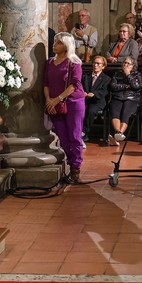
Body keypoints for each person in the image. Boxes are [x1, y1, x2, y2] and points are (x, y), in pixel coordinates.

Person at [44, 32, 86, 182]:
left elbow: (74, 85)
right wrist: (49, 100)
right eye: (55, 42)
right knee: (62, 136)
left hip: (73, 103)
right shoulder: (49, 62)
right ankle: (70, 163)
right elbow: (46, 83)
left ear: (66, 45)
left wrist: (57, 99)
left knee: (74, 136)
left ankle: (76, 169)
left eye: (58, 43)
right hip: (54, 103)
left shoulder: (74, 62)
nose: (54, 45)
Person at [107, 56, 142, 144]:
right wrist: (126, 86)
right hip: (117, 97)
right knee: (115, 112)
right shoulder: (117, 74)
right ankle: (118, 134)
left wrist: (128, 75)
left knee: (125, 113)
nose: (126, 65)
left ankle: (117, 136)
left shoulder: (137, 75)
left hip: (131, 98)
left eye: (128, 63)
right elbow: (112, 86)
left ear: (133, 66)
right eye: (125, 63)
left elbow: (136, 86)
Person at [81, 55, 111, 138]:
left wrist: (94, 94)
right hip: (85, 99)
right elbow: (80, 87)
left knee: (91, 110)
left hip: (98, 101)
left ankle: (84, 132)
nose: (95, 65)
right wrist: (82, 92)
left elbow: (105, 91)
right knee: (78, 108)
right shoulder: (85, 76)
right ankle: (76, 130)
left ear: (103, 66)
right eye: (94, 63)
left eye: (98, 63)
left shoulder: (106, 78)